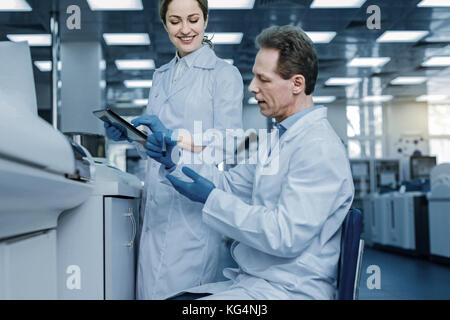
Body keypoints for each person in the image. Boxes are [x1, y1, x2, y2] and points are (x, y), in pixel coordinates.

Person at [143, 25, 355, 300]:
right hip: (257, 284)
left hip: (290, 291)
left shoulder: (319, 148)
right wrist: (174, 159)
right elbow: (229, 184)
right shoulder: (277, 141)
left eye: (263, 80)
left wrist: (212, 199)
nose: (252, 88)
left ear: (297, 84)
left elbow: (283, 235)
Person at [105, 0, 243, 300]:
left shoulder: (223, 74)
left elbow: (229, 143)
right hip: (156, 205)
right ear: (165, 24)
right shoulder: (161, 75)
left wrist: (175, 138)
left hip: (191, 207)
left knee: (184, 296)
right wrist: (132, 136)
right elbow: (153, 144)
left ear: (205, 20)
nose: (185, 29)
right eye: (175, 21)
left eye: (193, 19)